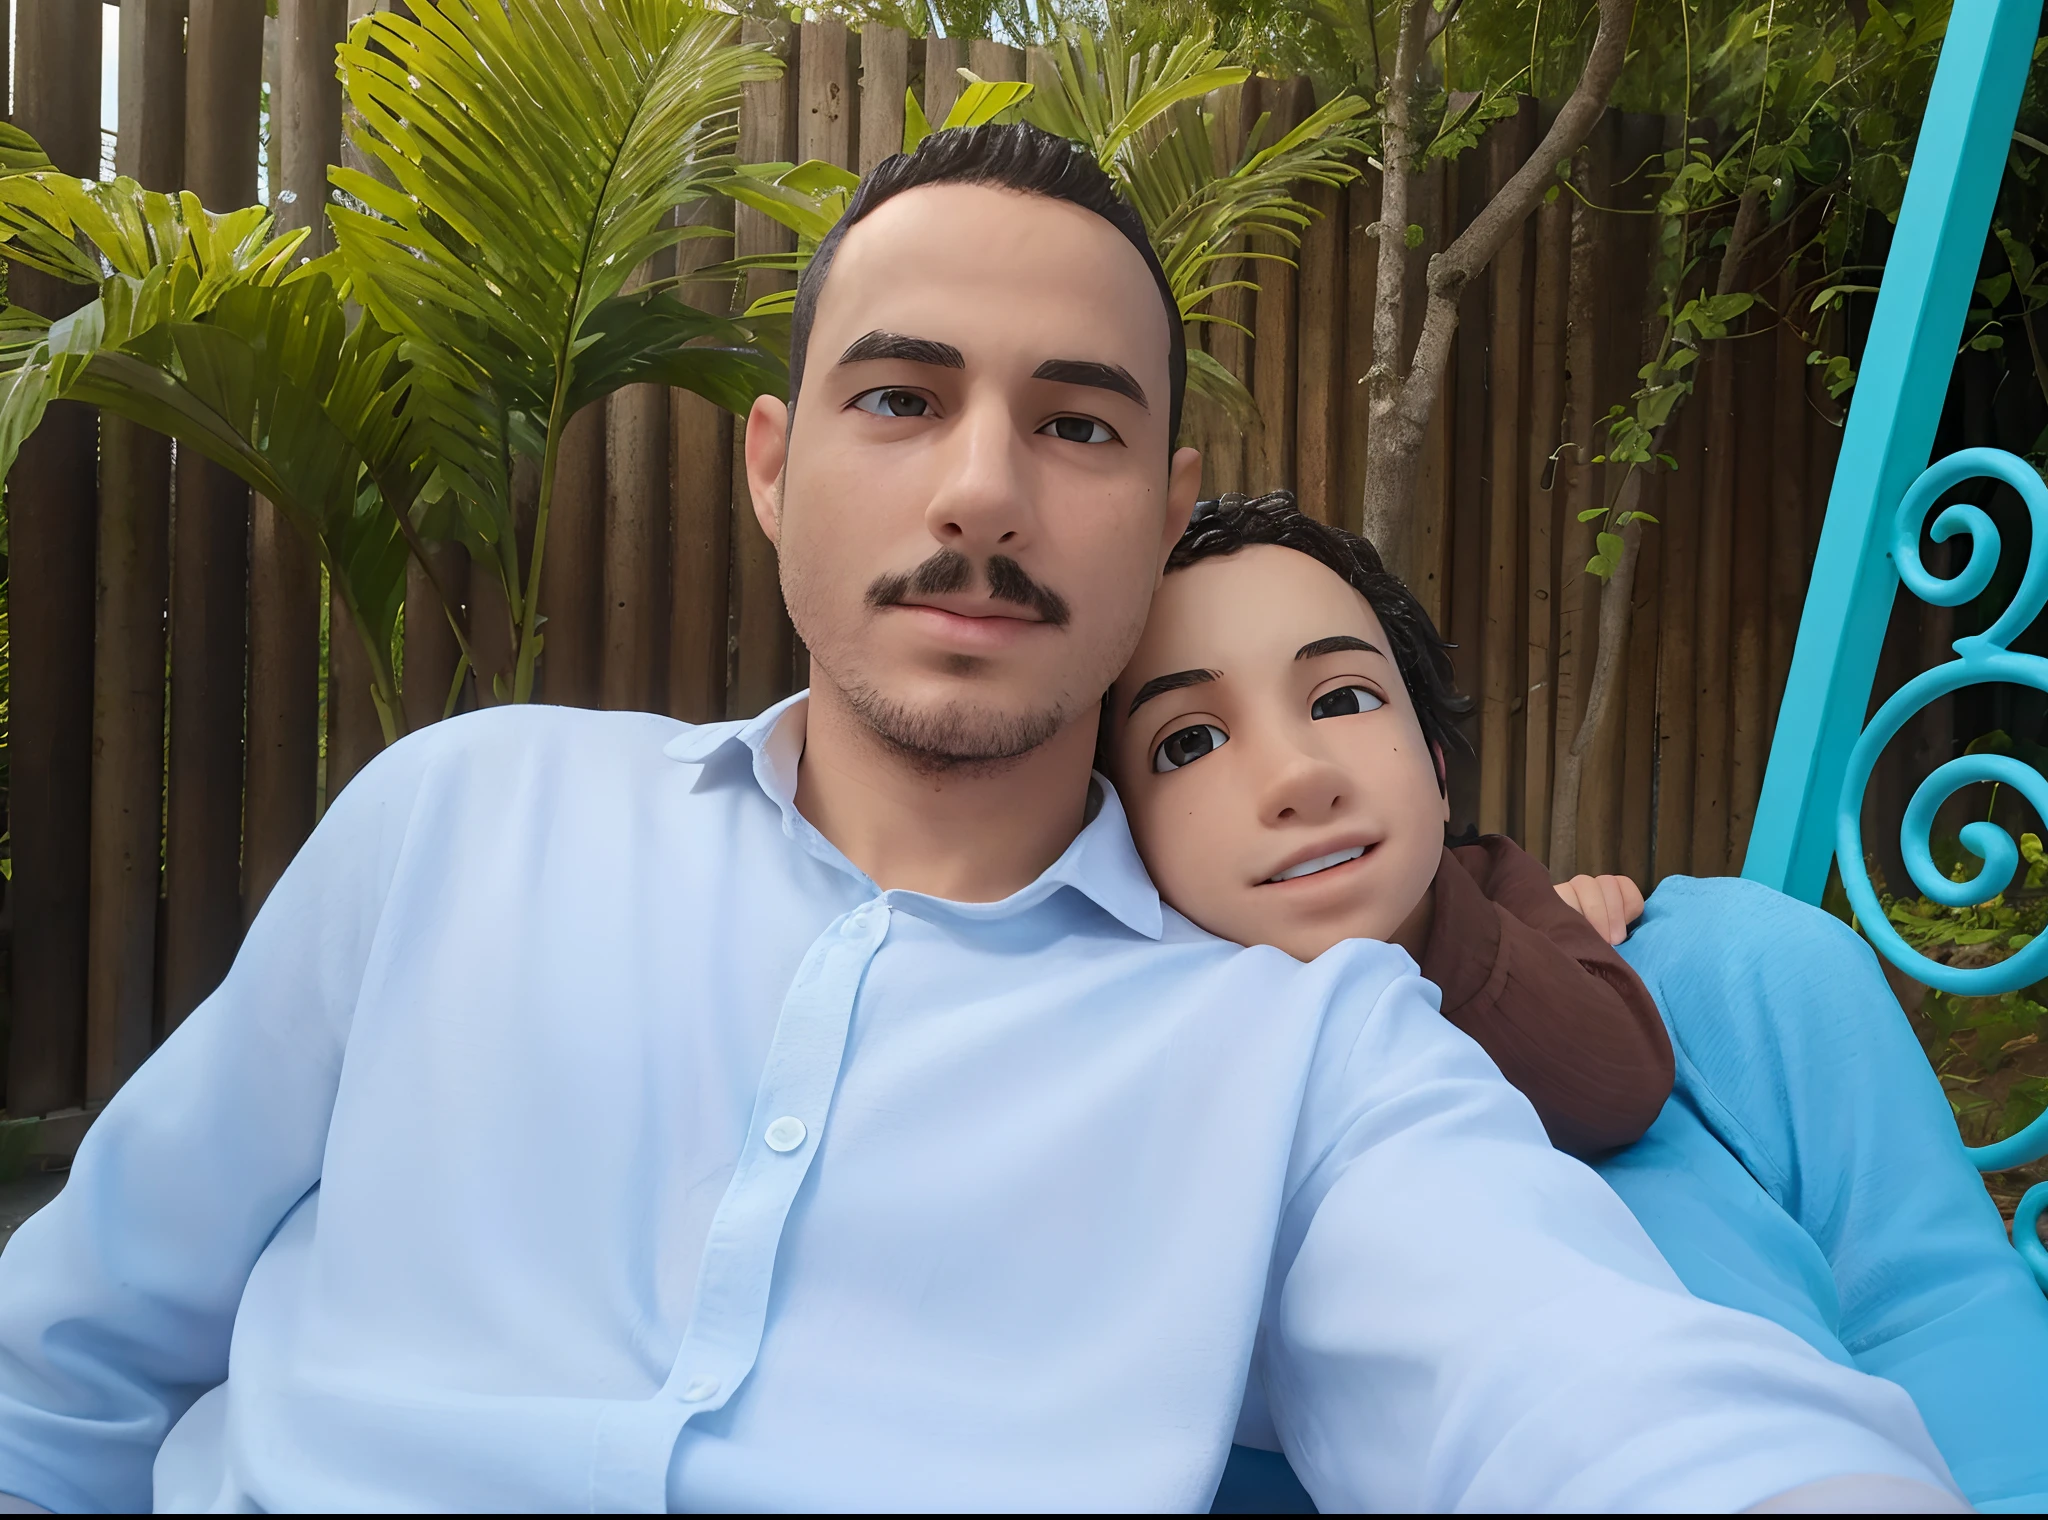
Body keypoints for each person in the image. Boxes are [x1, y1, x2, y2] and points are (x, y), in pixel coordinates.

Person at [0, 125, 1966, 1513]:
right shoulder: (457, 825)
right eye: (896, 399)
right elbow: (63, 1360)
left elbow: (1597, 1394)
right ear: (773, 467)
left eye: (1075, 422)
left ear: (1163, 498)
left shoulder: (1291, 1053)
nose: (981, 491)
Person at [1106, 491, 2048, 1514]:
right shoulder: (1115, 1123)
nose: (1295, 775)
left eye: (1340, 698)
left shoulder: (1736, 975)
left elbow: (1940, 1313)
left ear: (1432, 762)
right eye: (1187, 741)